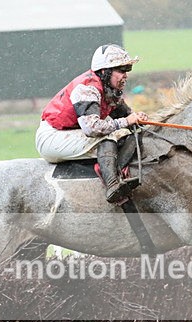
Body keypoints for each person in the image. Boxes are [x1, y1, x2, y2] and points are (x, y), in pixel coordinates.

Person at [35, 44, 149, 203]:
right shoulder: (87, 88)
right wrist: (126, 121)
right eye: (121, 70)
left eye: (127, 70)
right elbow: (92, 128)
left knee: (125, 135)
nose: (125, 76)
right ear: (104, 71)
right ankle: (112, 186)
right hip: (52, 136)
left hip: (70, 132)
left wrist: (136, 118)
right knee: (107, 138)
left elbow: (125, 113)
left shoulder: (108, 88)